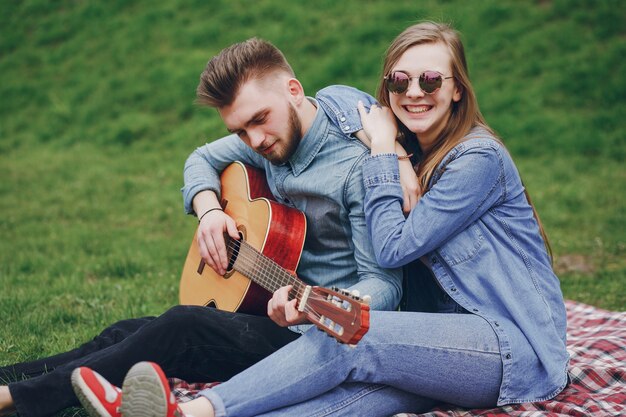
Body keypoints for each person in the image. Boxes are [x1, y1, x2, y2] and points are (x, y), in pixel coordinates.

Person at [80, 21, 570, 417]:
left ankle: (191, 413)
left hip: (510, 344)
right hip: (437, 335)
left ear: (458, 90)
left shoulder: (475, 159)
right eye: (399, 81)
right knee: (344, 400)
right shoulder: (410, 142)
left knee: (351, 334)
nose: (414, 91)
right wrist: (389, 144)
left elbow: (394, 249)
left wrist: (383, 150)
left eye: (432, 80)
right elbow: (333, 100)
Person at [0, 38, 408, 417]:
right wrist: (210, 210)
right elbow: (200, 158)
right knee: (127, 331)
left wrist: (317, 303)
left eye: (259, 120)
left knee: (182, 327)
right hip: (268, 309)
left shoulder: (356, 166)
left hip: (316, 339)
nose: (255, 140)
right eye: (239, 131)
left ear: (294, 91)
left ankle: (21, 400)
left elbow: (386, 285)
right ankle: (10, 380)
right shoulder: (268, 138)